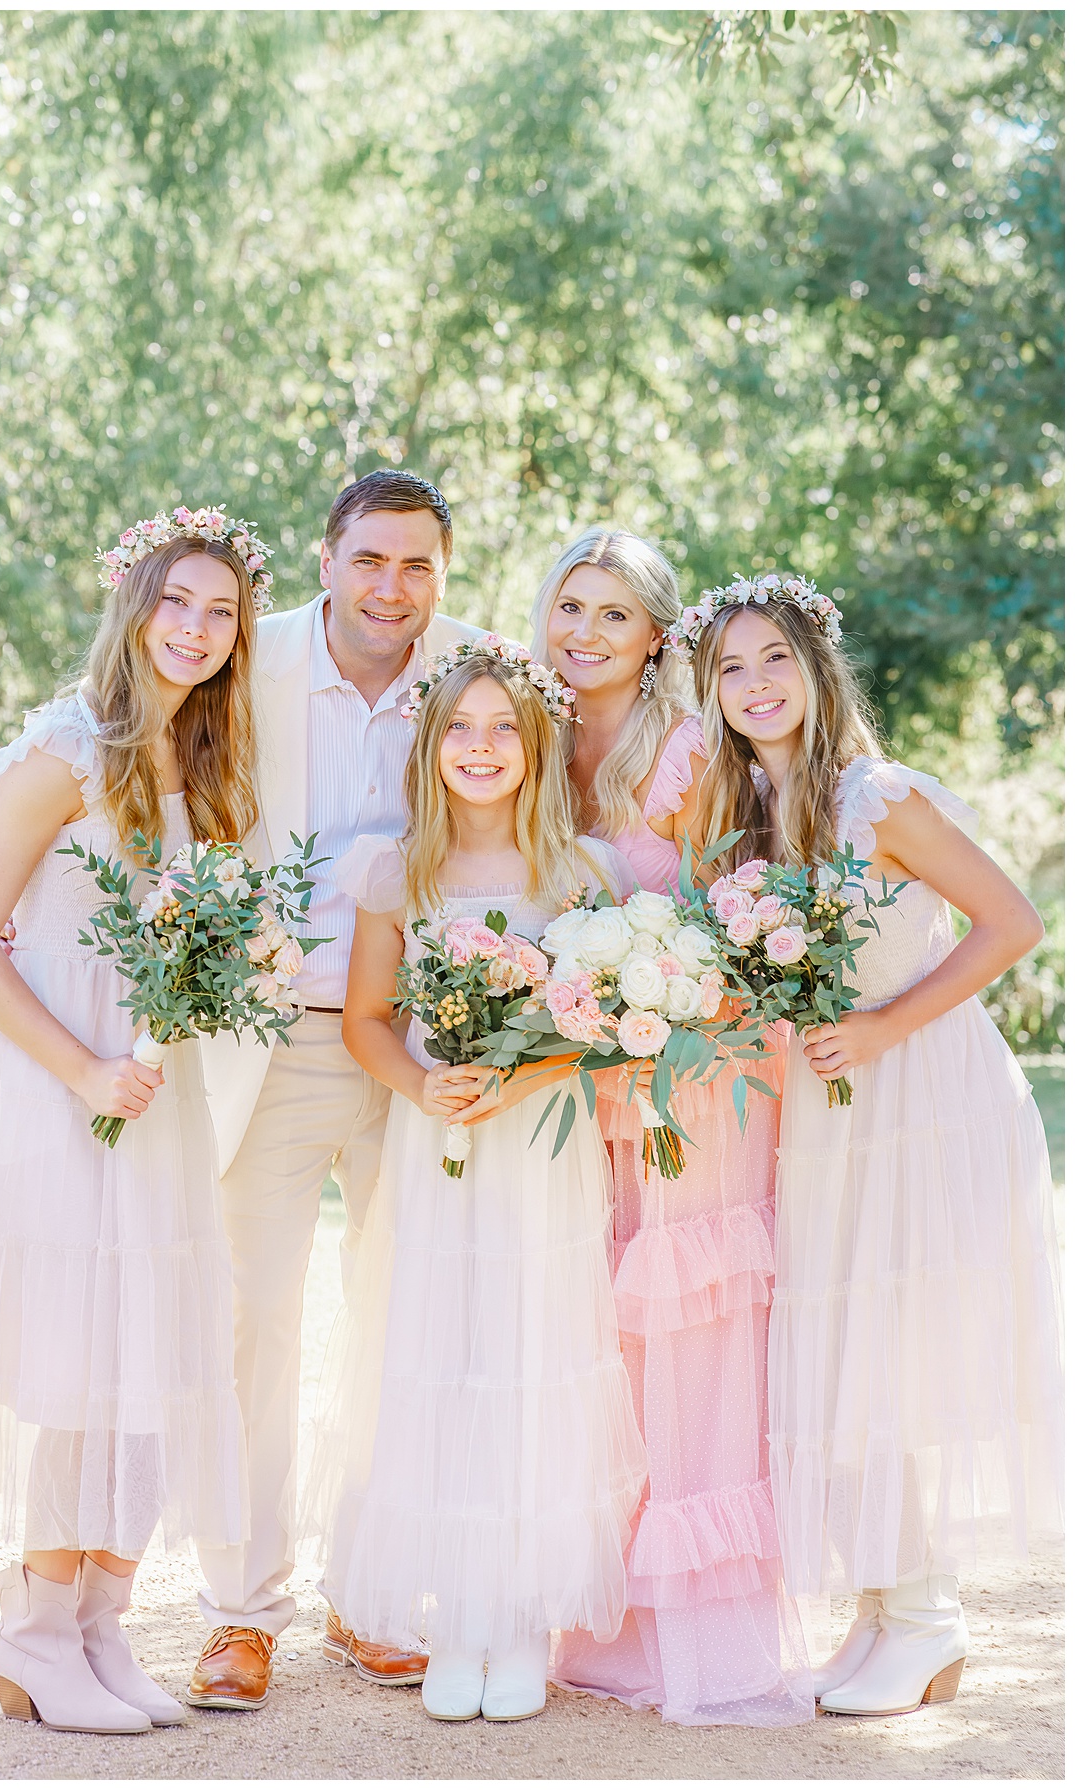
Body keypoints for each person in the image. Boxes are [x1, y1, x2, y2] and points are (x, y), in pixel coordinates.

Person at [0, 508, 266, 1735]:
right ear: (135, 602)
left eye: (223, 612)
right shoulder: (66, 747)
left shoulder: (197, 767)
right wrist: (86, 1071)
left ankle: (103, 1627)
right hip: (57, 1087)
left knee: (147, 1352)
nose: (197, 629)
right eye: (179, 601)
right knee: (78, 1358)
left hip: (150, 1089)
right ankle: (36, 1633)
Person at [680, 571, 1064, 1717]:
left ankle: (932, 1615)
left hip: (922, 1094)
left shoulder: (875, 797)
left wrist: (885, 1024)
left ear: (816, 667)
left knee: (891, 1351)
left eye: (774, 659)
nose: (755, 684)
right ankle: (885, 1609)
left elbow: (1014, 921)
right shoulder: (749, 805)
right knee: (842, 1348)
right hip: (831, 1108)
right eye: (731, 667)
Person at [306, 642, 648, 1723]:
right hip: (438, 1150)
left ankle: (519, 1618)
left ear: (537, 741)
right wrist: (423, 1081)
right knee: (443, 1354)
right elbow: (365, 1020)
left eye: (504, 727)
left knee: (533, 1355)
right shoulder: (394, 870)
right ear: (430, 744)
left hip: (541, 1151)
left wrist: (520, 1072)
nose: (482, 747)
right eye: (460, 727)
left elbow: (607, 1035)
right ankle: (456, 1613)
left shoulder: (581, 873)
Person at [190, 470, 482, 1710]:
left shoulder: (478, 676)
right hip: (276, 1034)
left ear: (442, 573)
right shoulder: (244, 666)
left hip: (430, 1039)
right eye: (371, 559)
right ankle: (239, 1610)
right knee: (252, 1319)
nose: (392, 589)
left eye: (417, 564)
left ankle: (372, 1595)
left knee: (404, 1321)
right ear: (327, 559)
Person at [532, 529, 814, 1726]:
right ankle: (606, 1613)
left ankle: (693, 1628)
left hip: (696, 1067)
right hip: (582, 1072)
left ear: (657, 637)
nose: (585, 634)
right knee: (607, 1334)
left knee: (691, 1337)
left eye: (614, 615)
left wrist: (653, 1004)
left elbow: (724, 914)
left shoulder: (690, 748)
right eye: (570, 607)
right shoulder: (528, 735)